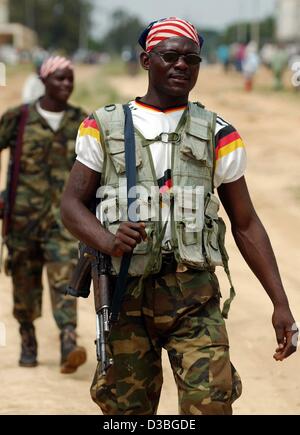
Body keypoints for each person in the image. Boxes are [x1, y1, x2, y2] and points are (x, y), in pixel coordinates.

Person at [61, 18, 297, 414]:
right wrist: (107, 239)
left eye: (191, 58)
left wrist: (281, 302)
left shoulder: (219, 133)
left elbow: (246, 223)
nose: (181, 65)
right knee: (126, 412)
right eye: (169, 56)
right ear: (145, 60)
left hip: (194, 298)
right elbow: (71, 205)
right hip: (125, 298)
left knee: (212, 404)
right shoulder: (103, 126)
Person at [0, 56, 87, 373]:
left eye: (69, 79)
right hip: (22, 219)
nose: (65, 85)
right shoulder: (19, 118)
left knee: (65, 279)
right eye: (59, 79)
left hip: (64, 221)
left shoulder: (82, 122)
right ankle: (27, 339)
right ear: (44, 81)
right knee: (24, 284)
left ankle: (68, 341)